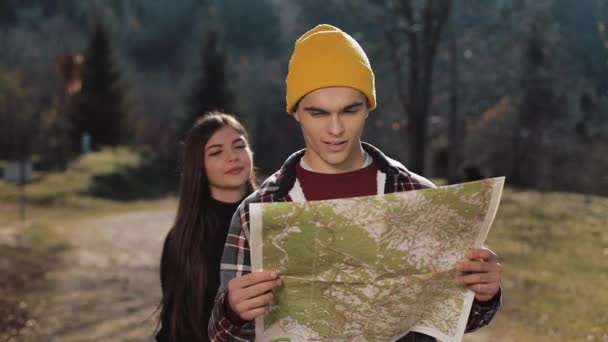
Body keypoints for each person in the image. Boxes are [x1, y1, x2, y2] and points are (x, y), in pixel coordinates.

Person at [208, 24, 502, 341]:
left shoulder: (420, 199)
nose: (335, 129)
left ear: (367, 108)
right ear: (296, 113)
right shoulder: (257, 213)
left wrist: (484, 293)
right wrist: (233, 313)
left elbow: (453, 319)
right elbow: (221, 335)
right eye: (318, 113)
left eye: (349, 110)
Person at [156, 112, 256, 342]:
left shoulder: (277, 215)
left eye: (239, 146)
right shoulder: (184, 238)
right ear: (199, 166)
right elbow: (175, 326)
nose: (232, 157)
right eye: (216, 152)